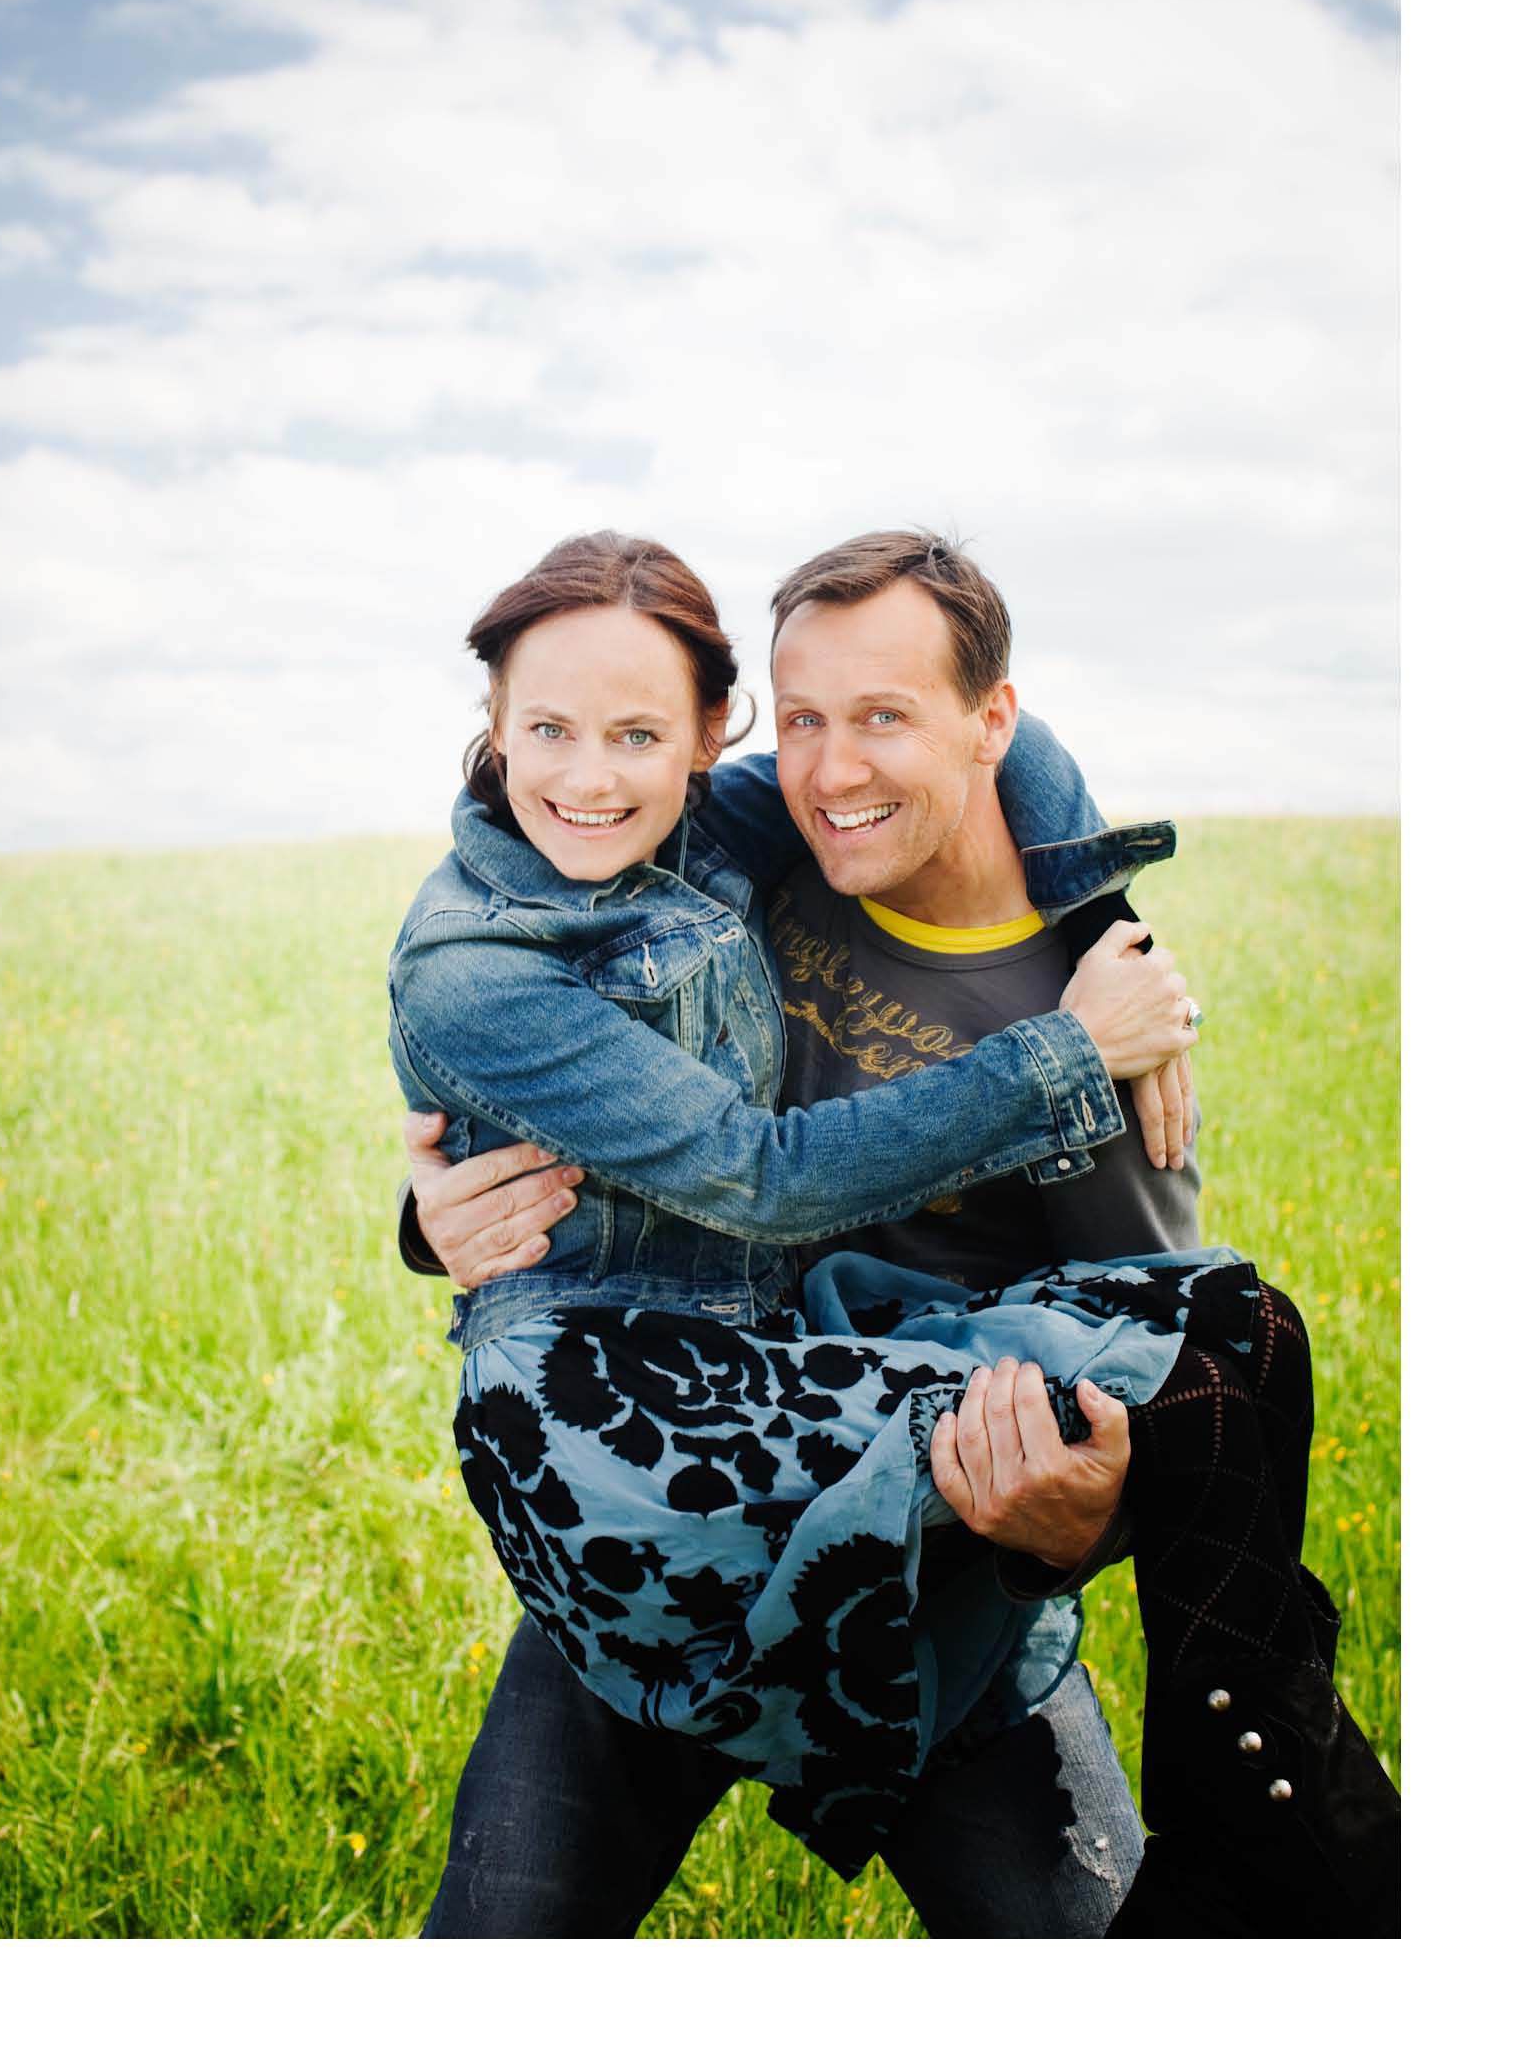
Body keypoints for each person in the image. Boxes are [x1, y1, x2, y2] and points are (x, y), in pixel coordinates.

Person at [387, 530, 1398, 1938]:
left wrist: (1078, 1523)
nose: (834, 770)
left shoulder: (1083, 1022)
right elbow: (707, 1160)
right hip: (684, 1501)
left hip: (929, 1584)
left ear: (986, 724)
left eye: (883, 718)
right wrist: (442, 1214)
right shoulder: (752, 849)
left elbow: (1132, 1343)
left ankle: (1287, 1845)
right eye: (805, 721)